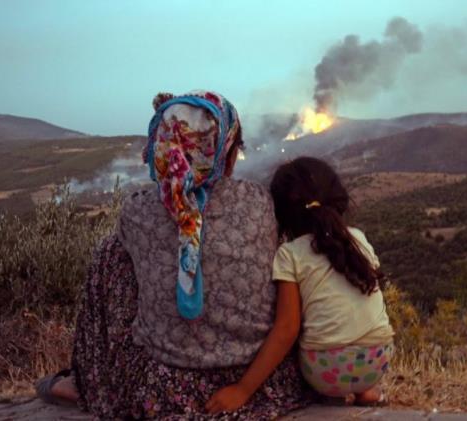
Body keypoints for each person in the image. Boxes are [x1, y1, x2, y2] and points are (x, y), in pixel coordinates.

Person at [35, 90, 310, 419]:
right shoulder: (263, 204)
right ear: (227, 152)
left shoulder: (137, 211)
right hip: (263, 378)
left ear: (163, 149)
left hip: (163, 387)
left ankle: (89, 379)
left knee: (111, 253)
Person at [206, 157, 394, 413]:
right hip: (379, 359)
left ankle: (333, 394)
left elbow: (287, 329)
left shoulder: (290, 254)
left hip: (325, 370)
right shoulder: (358, 239)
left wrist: (242, 390)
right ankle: (364, 389)